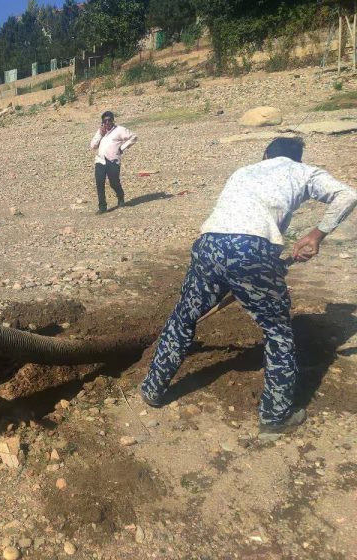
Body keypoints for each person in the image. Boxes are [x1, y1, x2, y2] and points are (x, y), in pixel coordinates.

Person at [140, 137, 357, 437]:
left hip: (209, 243)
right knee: (278, 333)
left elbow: (242, 218)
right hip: (252, 250)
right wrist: (316, 236)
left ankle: (153, 388)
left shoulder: (244, 171)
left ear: (265, 153)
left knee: (182, 318)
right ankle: (276, 416)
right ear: (299, 158)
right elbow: (347, 194)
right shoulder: (305, 172)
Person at [89, 111, 137, 213]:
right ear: (102, 122)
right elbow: (93, 146)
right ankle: (102, 207)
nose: (107, 123)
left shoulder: (119, 130)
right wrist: (100, 135)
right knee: (99, 183)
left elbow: (133, 137)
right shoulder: (100, 131)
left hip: (113, 161)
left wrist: (122, 148)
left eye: (109, 120)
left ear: (113, 120)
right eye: (105, 121)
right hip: (100, 160)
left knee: (114, 182)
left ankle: (120, 197)